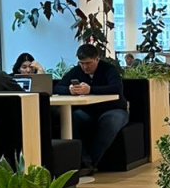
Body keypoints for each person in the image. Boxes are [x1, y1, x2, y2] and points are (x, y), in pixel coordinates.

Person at [55, 44, 128, 175]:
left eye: (88, 63)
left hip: (113, 109)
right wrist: (69, 90)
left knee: (110, 122)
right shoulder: (76, 71)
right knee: (72, 119)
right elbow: (57, 87)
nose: (85, 67)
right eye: (82, 63)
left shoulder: (109, 69)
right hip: (88, 112)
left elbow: (116, 88)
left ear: (97, 59)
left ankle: (90, 163)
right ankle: (82, 160)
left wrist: (90, 90)